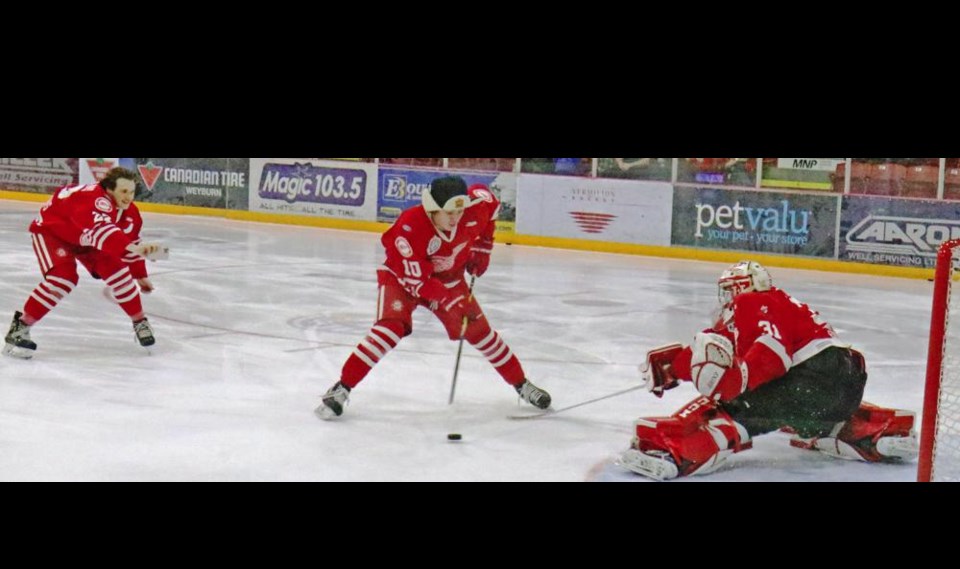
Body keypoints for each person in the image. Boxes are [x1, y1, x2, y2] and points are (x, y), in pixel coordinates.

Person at [619, 260, 918, 480]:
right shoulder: (780, 303)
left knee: (731, 404)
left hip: (811, 380)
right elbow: (726, 344)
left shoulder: (752, 302)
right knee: (800, 410)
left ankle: (679, 449)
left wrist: (740, 381)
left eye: (728, 292)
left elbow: (771, 352)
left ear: (740, 287)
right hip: (845, 382)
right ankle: (871, 429)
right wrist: (676, 367)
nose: (725, 300)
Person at [316, 175, 551, 419]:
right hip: (403, 279)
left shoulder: (474, 210)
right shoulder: (410, 226)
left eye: (459, 211)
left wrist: (484, 246)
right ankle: (341, 388)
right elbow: (418, 283)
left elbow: (489, 202)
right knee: (390, 329)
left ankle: (521, 384)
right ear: (432, 209)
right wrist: (450, 302)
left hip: (450, 278)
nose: (455, 218)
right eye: (448, 212)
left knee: (480, 333)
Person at [3, 167, 167, 359]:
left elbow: (129, 243)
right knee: (63, 279)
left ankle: (140, 322)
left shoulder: (131, 214)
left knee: (119, 274)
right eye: (123, 191)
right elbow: (104, 235)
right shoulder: (91, 200)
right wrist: (138, 250)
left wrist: (139, 274)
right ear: (108, 189)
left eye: (132, 192)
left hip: (86, 240)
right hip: (54, 233)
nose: (128, 197)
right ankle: (20, 327)